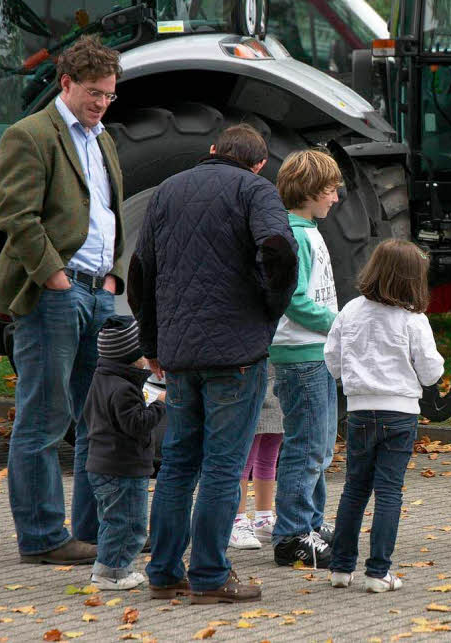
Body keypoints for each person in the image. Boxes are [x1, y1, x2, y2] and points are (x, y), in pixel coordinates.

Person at [129, 124, 297, 604]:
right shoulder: (257, 190)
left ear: (211, 152)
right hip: (237, 354)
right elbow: (278, 250)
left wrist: (153, 340)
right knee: (223, 466)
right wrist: (269, 308)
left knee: (179, 462)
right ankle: (209, 575)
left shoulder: (167, 191)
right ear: (259, 163)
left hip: (180, 353)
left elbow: (142, 270)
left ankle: (162, 572)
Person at [0, 34, 124, 565]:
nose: (101, 102)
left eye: (109, 94)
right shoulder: (30, 134)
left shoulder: (102, 137)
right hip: (53, 295)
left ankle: (89, 532)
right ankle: (41, 538)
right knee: (43, 416)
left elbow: (108, 213)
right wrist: (56, 278)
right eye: (93, 92)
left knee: (94, 418)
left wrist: (112, 278)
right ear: (65, 83)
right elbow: (15, 215)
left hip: (98, 293)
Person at [324, 239, 445, 593]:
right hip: (400, 413)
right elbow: (430, 371)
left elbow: (331, 356)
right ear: (413, 280)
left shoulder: (350, 311)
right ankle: (378, 572)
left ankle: (341, 568)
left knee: (354, 489)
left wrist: (348, 380)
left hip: (360, 411)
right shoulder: (413, 319)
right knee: (389, 492)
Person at [268, 149, 342, 568]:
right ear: (310, 192)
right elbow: (295, 300)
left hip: (316, 353)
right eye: (330, 190)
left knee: (321, 444)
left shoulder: (308, 230)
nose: (335, 198)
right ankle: (292, 534)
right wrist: (339, 324)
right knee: (307, 446)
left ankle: (311, 523)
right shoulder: (295, 235)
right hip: (300, 353)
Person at [82, 315, 165, 589]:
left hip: (103, 465)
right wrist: (160, 406)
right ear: (131, 356)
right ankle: (112, 572)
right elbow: (136, 424)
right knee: (129, 523)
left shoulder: (103, 379)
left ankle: (107, 567)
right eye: (143, 353)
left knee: (111, 520)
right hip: (123, 467)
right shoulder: (123, 389)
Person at [229, 367, 285, 549]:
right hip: (251, 373)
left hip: (278, 372)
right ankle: (236, 520)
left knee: (271, 448)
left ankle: (264, 519)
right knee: (246, 455)